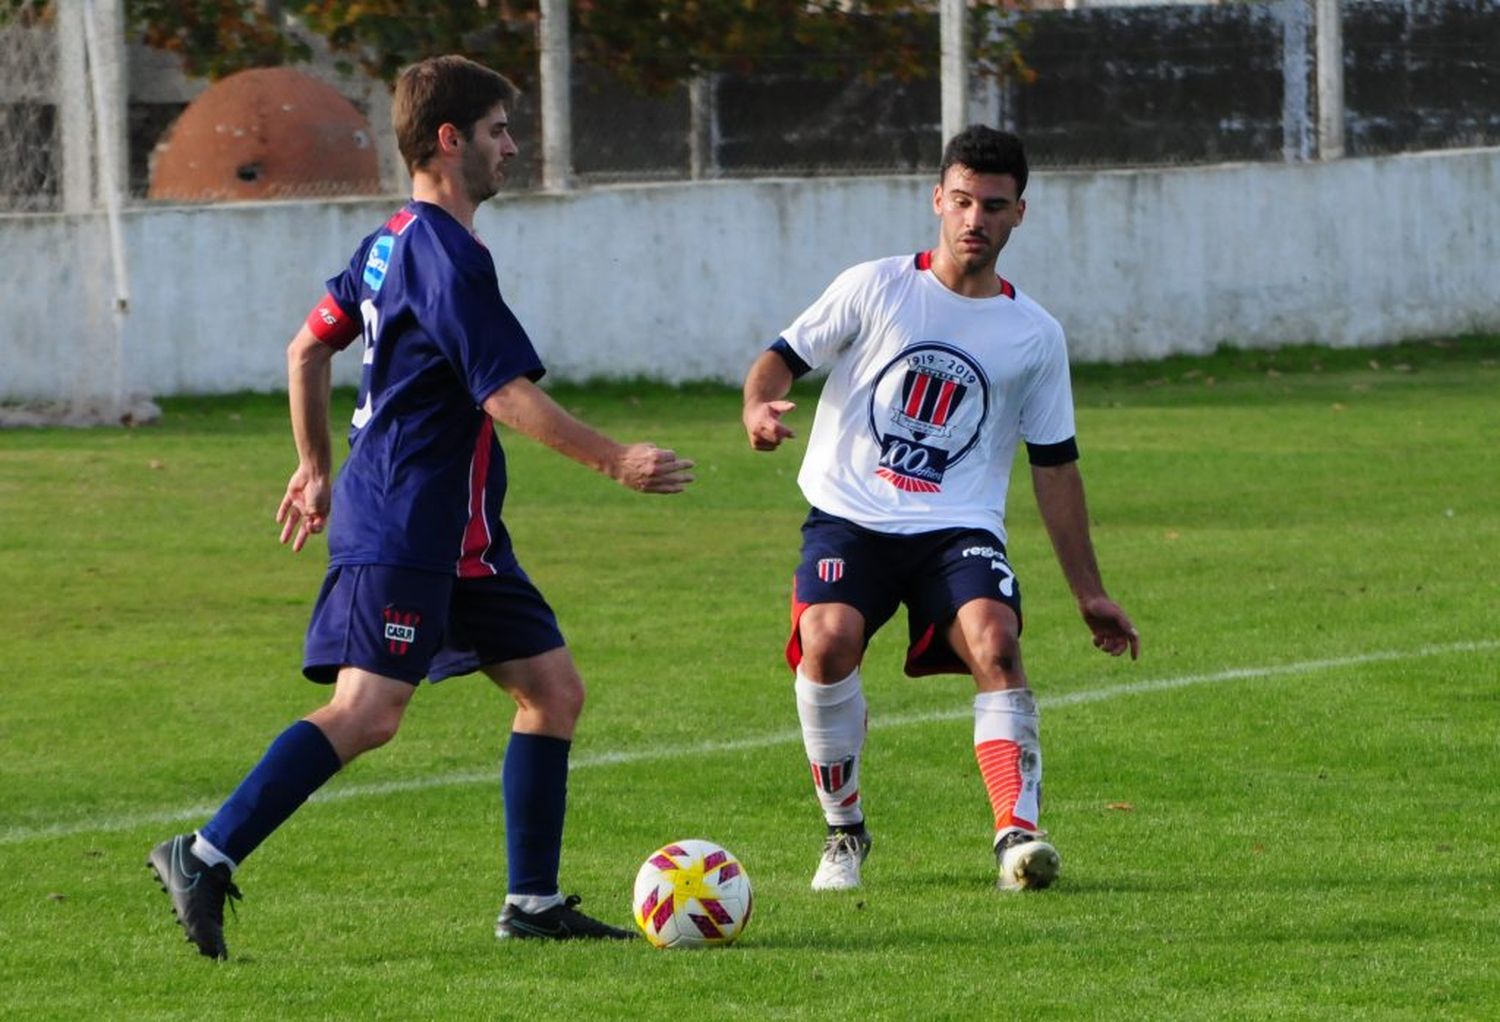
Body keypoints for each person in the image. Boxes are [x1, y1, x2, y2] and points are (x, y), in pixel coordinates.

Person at [148, 55, 694, 958]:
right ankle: (204, 853)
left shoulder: (388, 241)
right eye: (499, 131)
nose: (512, 147)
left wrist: (313, 467)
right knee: (369, 712)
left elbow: (303, 351)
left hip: (463, 532)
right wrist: (615, 460)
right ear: (450, 139)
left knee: (552, 692)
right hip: (405, 516)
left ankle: (533, 903)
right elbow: (504, 393)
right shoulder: (443, 253)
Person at [740, 126, 1138, 894]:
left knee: (995, 641)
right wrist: (758, 406)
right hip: (850, 516)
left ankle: (1017, 838)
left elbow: (1055, 466)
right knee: (826, 641)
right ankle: (844, 833)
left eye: (993, 205)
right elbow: (781, 355)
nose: (974, 220)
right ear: (937, 201)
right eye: (961, 202)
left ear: (1020, 212)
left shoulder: (1035, 335)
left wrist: (1089, 591)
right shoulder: (876, 286)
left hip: (957, 526)